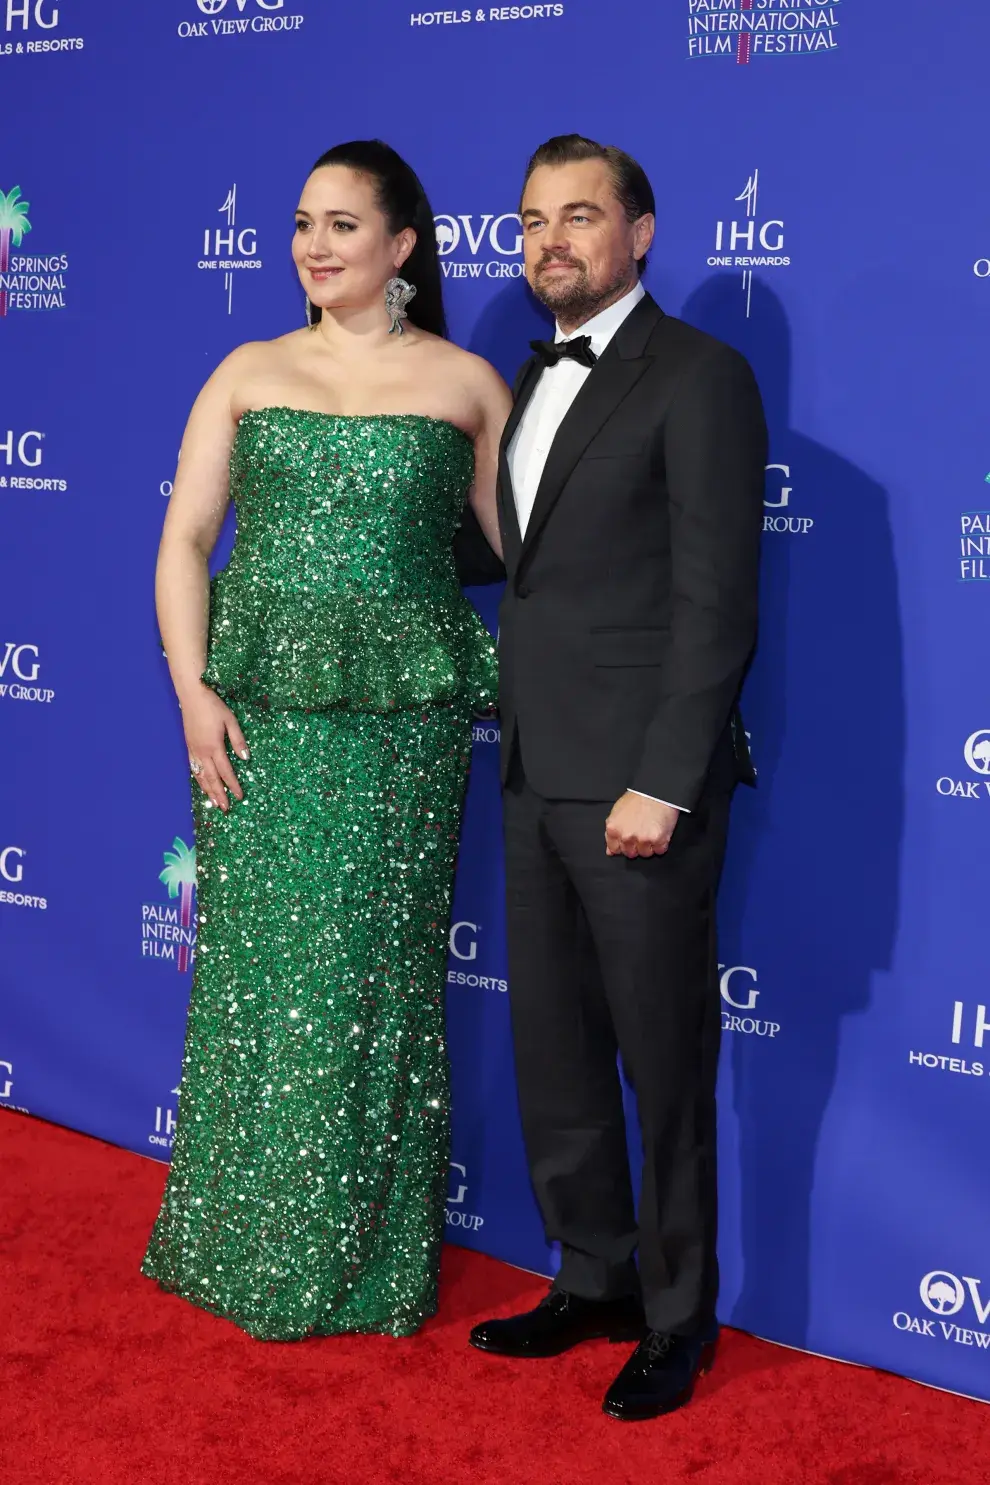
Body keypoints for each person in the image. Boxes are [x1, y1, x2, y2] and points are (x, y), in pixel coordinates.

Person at [142, 140, 509, 1340]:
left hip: (403, 725)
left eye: (344, 224)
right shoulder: (246, 368)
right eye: (304, 221)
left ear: (403, 247)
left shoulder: (467, 384)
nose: (314, 243)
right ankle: (236, 1244)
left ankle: (364, 1257)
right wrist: (196, 691)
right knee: (261, 984)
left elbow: (529, 556)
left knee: (374, 979)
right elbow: (186, 542)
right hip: (262, 715)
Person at [469, 135, 767, 1421]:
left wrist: (667, 780)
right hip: (535, 774)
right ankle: (589, 1274)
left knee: (663, 1061)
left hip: (641, 787)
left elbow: (715, 605)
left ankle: (678, 1313)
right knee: (557, 1053)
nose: (552, 241)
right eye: (534, 220)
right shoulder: (525, 381)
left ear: (642, 233)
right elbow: (521, 572)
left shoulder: (699, 378)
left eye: (581, 216)